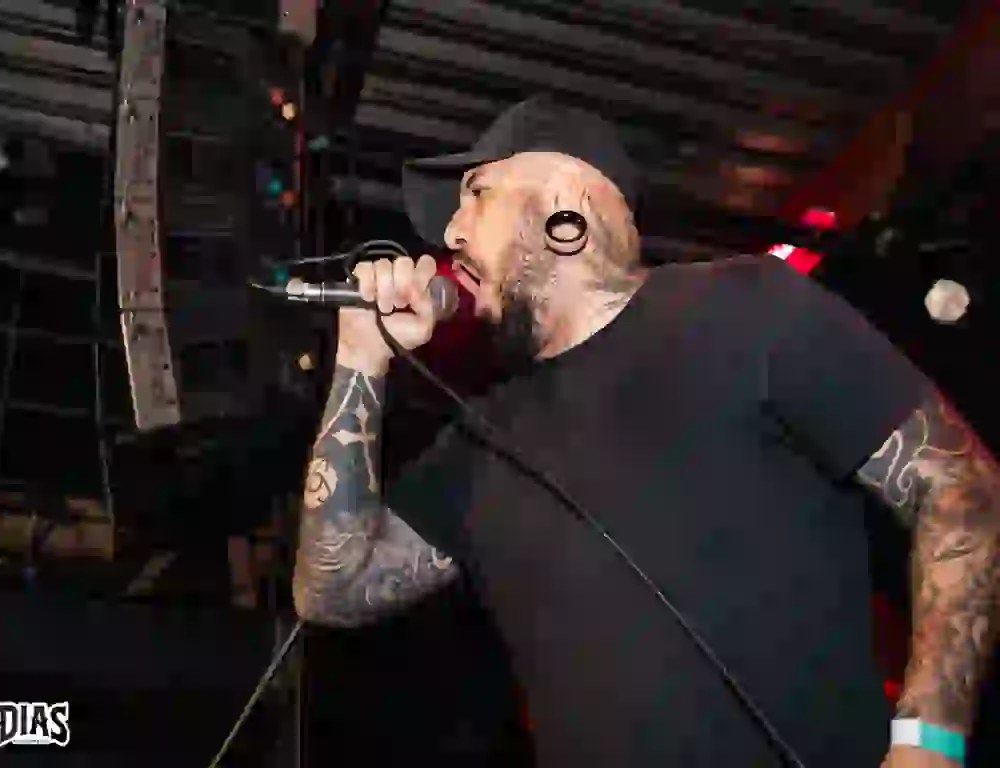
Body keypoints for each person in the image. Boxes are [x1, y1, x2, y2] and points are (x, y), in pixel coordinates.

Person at [292, 95, 1000, 767]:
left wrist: (929, 741)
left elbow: (961, 489)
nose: (449, 233)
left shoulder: (745, 310)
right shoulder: (482, 440)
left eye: (476, 193)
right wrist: (361, 354)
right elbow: (332, 590)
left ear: (565, 204)